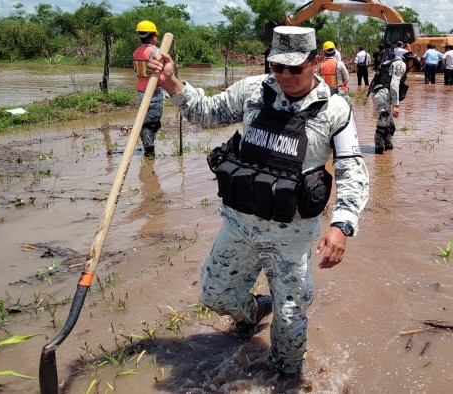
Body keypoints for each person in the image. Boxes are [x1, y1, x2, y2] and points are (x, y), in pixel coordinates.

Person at [145, 25, 370, 375]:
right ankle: (253, 312)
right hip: (239, 224)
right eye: (278, 67)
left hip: (291, 234)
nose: (285, 75)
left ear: (314, 62)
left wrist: (342, 225)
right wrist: (172, 83)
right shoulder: (252, 91)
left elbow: (351, 169)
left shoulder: (335, 110)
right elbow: (206, 112)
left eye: (295, 68)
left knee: (292, 318)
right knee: (214, 295)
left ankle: (285, 376)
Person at [368, 51, 419, 153]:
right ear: (411, 62)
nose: (413, 69)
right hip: (383, 93)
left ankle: (388, 148)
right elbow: (394, 84)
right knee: (383, 123)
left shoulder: (393, 62)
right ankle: (378, 151)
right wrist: (396, 105)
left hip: (380, 93)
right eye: (414, 67)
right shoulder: (401, 65)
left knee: (390, 127)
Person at [132, 20, 165, 157]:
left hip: (140, 91)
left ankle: (148, 146)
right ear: (152, 36)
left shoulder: (136, 52)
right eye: (156, 36)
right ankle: (149, 150)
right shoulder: (156, 52)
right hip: (154, 92)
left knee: (146, 119)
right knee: (152, 122)